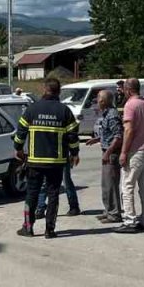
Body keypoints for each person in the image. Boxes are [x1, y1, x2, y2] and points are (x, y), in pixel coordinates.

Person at [13, 77, 80, 239]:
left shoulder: (32, 109)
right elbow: (73, 136)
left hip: (35, 162)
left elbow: (20, 133)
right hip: (56, 163)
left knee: (32, 194)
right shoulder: (64, 111)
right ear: (58, 91)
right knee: (53, 195)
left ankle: (28, 228)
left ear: (45, 90)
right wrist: (75, 153)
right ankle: (50, 230)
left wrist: (18, 149)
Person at [116, 78, 144, 233]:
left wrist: (124, 152)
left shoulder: (130, 105)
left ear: (128, 90)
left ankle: (130, 220)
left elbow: (129, 130)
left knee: (127, 186)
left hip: (136, 151)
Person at [85, 89, 123, 223]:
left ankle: (114, 214)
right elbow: (108, 133)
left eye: (98, 100)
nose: (97, 103)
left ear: (103, 101)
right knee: (106, 184)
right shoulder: (107, 114)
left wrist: (108, 152)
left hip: (111, 154)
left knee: (111, 184)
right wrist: (97, 139)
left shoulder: (112, 115)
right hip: (107, 151)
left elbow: (118, 137)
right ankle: (108, 210)